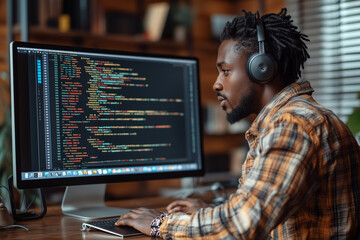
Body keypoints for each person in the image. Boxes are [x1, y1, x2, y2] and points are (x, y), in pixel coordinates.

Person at [116, 8, 360, 239]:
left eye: (225, 71)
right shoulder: (296, 118)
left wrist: (160, 223)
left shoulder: (294, 125)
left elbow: (242, 226)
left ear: (261, 69)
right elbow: (260, 205)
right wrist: (211, 212)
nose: (216, 84)